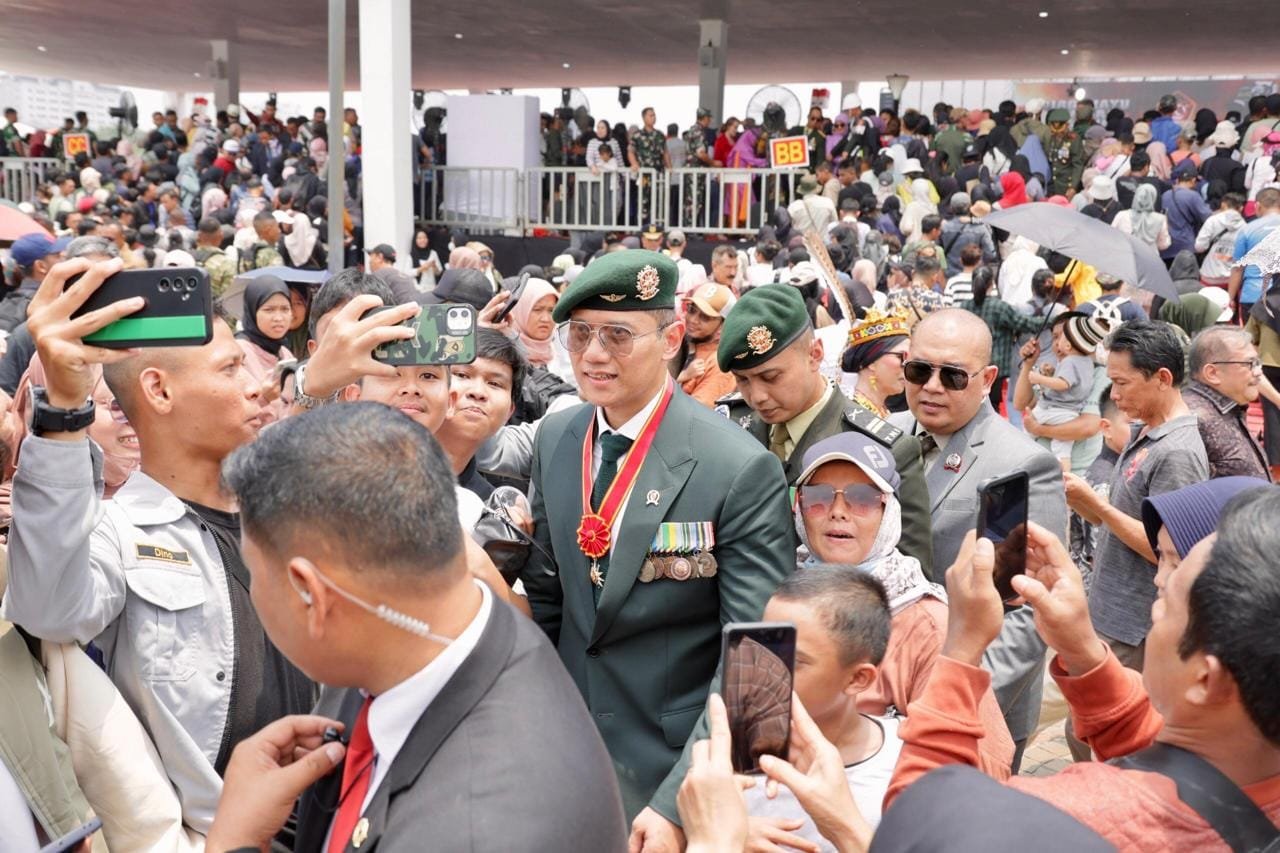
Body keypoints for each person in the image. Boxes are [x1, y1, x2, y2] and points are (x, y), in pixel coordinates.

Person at [207, 402, 628, 853]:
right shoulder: (434, 632)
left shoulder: (472, 831)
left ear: (311, 594)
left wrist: (234, 842)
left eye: (254, 573)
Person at [1, 257, 315, 834]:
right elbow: (47, 606)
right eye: (229, 370)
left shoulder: (292, 513)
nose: (254, 387)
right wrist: (65, 409)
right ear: (158, 389)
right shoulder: (118, 534)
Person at [520, 250, 794, 848]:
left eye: (618, 335)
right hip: (563, 761)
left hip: (673, 775)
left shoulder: (736, 466)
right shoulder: (558, 437)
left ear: (671, 337)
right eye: (581, 332)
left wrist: (678, 803)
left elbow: (757, 664)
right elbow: (548, 603)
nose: (593, 354)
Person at [879, 484, 1280, 852]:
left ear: (1205, 679)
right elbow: (1178, 761)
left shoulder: (1069, 820)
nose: (1157, 593)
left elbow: (916, 825)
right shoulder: (1250, 757)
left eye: (1166, 603)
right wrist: (1083, 651)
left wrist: (961, 647)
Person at [888, 309, 1067, 770]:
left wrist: (954, 698)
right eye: (919, 370)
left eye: (952, 376)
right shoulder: (885, 436)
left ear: (987, 378)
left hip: (969, 705)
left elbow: (1025, 614)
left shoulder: (1018, 464)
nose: (931, 386)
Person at [788, 433, 1013, 769]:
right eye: (818, 497)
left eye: (861, 498)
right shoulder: (780, 597)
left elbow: (985, 760)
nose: (837, 512)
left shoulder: (925, 622)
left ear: (889, 511)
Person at [1063, 320, 1208, 761]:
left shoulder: (1178, 451)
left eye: (1123, 383)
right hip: (1111, 607)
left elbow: (1171, 552)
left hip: (1135, 622)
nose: (1117, 394)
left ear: (1162, 378)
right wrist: (1084, 503)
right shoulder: (1148, 431)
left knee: (1103, 732)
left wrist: (1100, 507)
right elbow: (1125, 522)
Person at [716, 284, 934, 574]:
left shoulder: (886, 449)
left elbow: (909, 577)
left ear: (815, 354)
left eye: (770, 377)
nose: (757, 396)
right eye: (742, 380)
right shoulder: (730, 427)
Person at [743, 568, 904, 845]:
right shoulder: (729, 755)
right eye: (764, 650)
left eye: (793, 661)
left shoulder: (906, 764)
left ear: (857, 678)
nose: (768, 671)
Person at [434, 328, 521, 501]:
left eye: (495, 383)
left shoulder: (488, 510)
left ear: (509, 411)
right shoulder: (375, 469)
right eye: (462, 375)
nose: (478, 392)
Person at [1184, 326, 1270, 480]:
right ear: (1212, 373)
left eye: (1257, 363)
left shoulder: (1229, 408)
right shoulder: (1193, 420)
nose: (1258, 372)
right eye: (1249, 364)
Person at [958, 266, 1045, 411]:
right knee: (993, 405)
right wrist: (1052, 319)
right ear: (991, 284)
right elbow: (1026, 323)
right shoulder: (1000, 307)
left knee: (969, 403)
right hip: (995, 365)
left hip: (969, 362)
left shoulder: (964, 306)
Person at [1027, 314, 1107, 468]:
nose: (1056, 344)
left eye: (1061, 337)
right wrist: (1032, 366)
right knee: (1062, 451)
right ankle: (1066, 476)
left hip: (1056, 411)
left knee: (1025, 433)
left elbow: (1064, 384)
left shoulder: (1072, 362)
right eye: (1054, 337)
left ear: (1069, 345)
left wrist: (1039, 379)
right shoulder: (1086, 363)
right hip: (1071, 413)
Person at [234, 274, 295, 425]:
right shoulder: (239, 352)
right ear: (253, 312)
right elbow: (231, 413)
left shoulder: (284, 352)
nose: (278, 317)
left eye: (285, 309)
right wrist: (264, 398)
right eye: (269, 310)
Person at [840, 307, 911, 418]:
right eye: (901, 357)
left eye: (911, 359)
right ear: (872, 361)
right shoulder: (853, 413)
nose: (907, 366)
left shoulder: (880, 409)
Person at [675, 282, 736, 408]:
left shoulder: (719, 364)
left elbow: (694, 414)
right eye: (692, 310)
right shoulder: (677, 341)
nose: (693, 320)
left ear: (723, 326)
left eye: (705, 317)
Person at [1230, 187, 1280, 317]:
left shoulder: (1247, 230)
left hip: (1253, 295)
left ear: (1257, 206)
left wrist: (1230, 299)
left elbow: (1237, 269)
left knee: (1250, 337)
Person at [1161, 160, 1213, 262]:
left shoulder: (1165, 194)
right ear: (1193, 180)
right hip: (1185, 245)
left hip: (1167, 245)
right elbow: (1206, 217)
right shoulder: (1193, 196)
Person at [1195, 192, 1247, 288]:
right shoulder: (1246, 227)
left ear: (1223, 204)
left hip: (1209, 274)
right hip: (1231, 279)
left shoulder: (1212, 220)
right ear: (1241, 208)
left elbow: (1199, 247)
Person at [1112, 184, 1172, 254]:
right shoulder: (1160, 219)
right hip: (1150, 257)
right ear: (1154, 198)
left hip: (1126, 255)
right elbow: (1163, 245)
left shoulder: (1122, 215)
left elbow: (1112, 236)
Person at [1076, 273, 1148, 327]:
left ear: (1098, 283)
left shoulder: (1082, 308)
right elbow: (1146, 334)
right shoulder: (1134, 309)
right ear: (1122, 282)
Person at [410, 226, 442, 290]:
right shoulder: (411, 255)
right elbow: (407, 273)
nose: (423, 240)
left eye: (425, 237)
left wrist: (434, 266)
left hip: (432, 288)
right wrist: (421, 268)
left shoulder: (433, 253)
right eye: (419, 238)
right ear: (415, 240)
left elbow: (439, 272)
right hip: (417, 288)